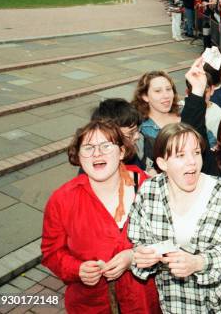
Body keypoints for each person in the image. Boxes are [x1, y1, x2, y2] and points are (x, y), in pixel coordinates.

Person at [41, 120, 160, 313]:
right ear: (79, 156)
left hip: (144, 303)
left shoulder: (149, 188)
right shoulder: (62, 200)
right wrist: (77, 269)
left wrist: (134, 257)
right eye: (88, 148)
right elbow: (51, 251)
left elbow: (169, 240)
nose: (97, 153)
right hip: (91, 305)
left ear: (121, 152)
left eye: (106, 145)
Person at [128, 123, 221, 313]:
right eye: (180, 155)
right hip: (174, 303)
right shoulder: (149, 191)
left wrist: (198, 262)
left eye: (196, 153)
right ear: (162, 163)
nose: (192, 162)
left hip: (218, 305)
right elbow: (138, 240)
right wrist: (143, 254)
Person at [90, 98, 147, 171]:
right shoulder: (97, 167)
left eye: (137, 130)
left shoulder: (130, 153)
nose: (137, 136)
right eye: (130, 133)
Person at [132, 71, 181, 142]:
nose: (166, 95)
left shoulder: (185, 111)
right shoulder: (142, 129)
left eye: (168, 89)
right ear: (145, 96)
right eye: (158, 91)